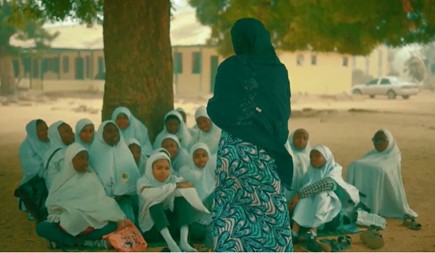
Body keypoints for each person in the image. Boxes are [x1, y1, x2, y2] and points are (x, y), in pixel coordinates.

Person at [206, 18, 294, 251]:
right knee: (269, 213)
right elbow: (281, 113)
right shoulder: (277, 71)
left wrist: (242, 120)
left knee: (230, 210)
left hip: (232, 152)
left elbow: (217, 109)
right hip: (265, 152)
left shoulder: (229, 68)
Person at [36, 143, 126, 250]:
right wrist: (66, 218)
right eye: (81, 158)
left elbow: (100, 201)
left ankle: (67, 242)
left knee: (111, 226)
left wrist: (90, 218)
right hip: (67, 224)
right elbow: (53, 207)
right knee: (42, 227)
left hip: (91, 224)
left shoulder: (91, 177)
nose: (85, 162)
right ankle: (86, 243)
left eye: (87, 159)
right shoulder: (60, 180)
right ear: (70, 159)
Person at [289, 145, 359, 251]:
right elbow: (302, 187)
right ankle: (294, 232)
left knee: (321, 195)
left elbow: (327, 184)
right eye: (311, 157)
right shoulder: (310, 171)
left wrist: (299, 195)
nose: (313, 159)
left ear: (327, 157)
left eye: (318, 156)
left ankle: (313, 232)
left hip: (331, 208)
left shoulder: (334, 169)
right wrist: (298, 197)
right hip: (309, 206)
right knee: (305, 197)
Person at [137, 152, 209, 252]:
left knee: (183, 197)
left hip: (172, 228)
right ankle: (172, 245)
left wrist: (176, 186)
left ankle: (184, 242)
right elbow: (149, 194)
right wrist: (174, 186)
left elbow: (189, 187)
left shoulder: (172, 179)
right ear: (150, 168)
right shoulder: (143, 181)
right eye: (159, 168)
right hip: (153, 230)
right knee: (154, 204)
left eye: (167, 168)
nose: (163, 172)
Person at [346, 129, 419, 222]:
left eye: (381, 140)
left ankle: (375, 205)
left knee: (377, 170)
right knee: (354, 165)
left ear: (389, 141)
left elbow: (384, 169)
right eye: (375, 140)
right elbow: (361, 163)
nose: (378, 143)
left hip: (383, 192)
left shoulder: (393, 156)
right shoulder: (372, 154)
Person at [89, 120, 141, 225]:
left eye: (116, 131)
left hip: (122, 197)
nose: (114, 134)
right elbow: (93, 178)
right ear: (101, 135)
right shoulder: (95, 153)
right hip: (100, 199)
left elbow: (126, 175)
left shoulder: (124, 152)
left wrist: (120, 191)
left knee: (127, 218)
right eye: (109, 131)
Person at [17, 119, 50, 219]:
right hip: (35, 178)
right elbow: (29, 166)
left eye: (46, 128)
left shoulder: (51, 142)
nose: (45, 132)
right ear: (33, 133)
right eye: (41, 130)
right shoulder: (26, 146)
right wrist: (46, 169)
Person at [179, 143, 216, 208]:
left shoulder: (214, 171)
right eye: (196, 157)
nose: (201, 159)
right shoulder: (187, 173)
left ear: (209, 156)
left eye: (204, 156)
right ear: (191, 158)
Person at [41, 121, 75, 190]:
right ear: (57, 136)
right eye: (66, 132)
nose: (72, 134)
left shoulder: (49, 152)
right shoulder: (61, 155)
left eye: (71, 130)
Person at [285, 128, 311, 202]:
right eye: (298, 137)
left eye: (304, 138)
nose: (301, 140)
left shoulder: (310, 157)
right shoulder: (287, 154)